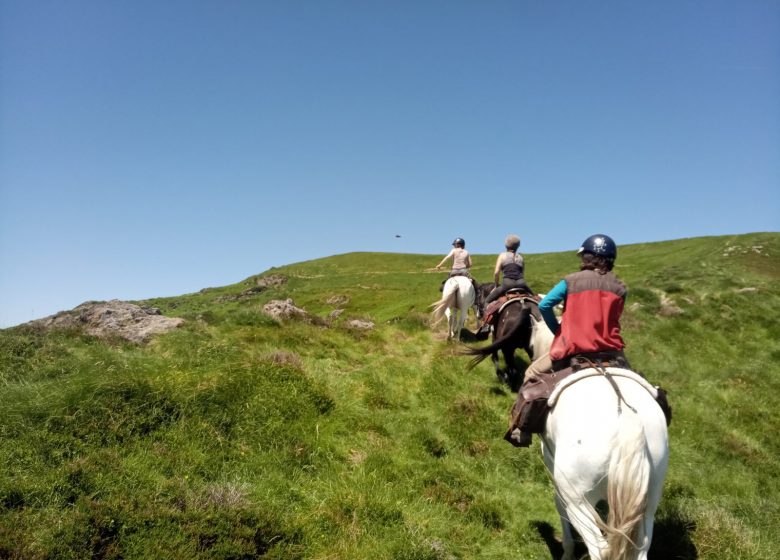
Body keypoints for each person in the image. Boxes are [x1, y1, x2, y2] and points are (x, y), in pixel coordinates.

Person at [507, 233, 628, 447]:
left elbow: (545, 305)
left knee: (531, 373)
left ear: (587, 258)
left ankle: (521, 429)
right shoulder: (620, 287)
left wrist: (559, 331)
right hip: (611, 352)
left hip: (575, 349)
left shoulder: (570, 281)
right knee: (638, 382)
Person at [482, 234, 533, 308]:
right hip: (522, 284)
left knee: (487, 301)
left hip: (507, 284)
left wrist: (496, 285)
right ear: (518, 246)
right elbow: (522, 273)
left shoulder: (502, 255)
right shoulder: (521, 258)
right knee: (535, 298)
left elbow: (496, 273)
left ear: (506, 245)